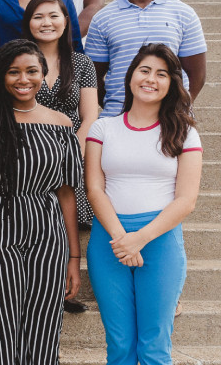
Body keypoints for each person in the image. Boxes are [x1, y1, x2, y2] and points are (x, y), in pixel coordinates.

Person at [0, 39, 82, 365]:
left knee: (43, 327)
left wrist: (73, 256)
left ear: (44, 73)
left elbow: (66, 192)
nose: (23, 79)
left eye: (31, 71)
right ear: (0, 76)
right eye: (14, 72)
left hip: (47, 232)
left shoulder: (61, 125)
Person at [85, 44, 202, 365]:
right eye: (144, 70)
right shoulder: (103, 127)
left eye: (161, 74)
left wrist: (140, 238)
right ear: (130, 76)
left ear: (171, 84)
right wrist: (122, 237)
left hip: (160, 241)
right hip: (109, 240)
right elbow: (95, 189)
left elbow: (187, 200)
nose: (151, 79)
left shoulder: (184, 132)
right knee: (120, 345)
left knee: (154, 346)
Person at [86, 0, 207, 118]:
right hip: (118, 116)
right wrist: (116, 104)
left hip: (171, 118)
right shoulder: (102, 19)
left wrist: (180, 106)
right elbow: (93, 77)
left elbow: (197, 73)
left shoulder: (183, 13)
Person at [23, 0, 99, 231]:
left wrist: (72, 153)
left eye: (53, 16)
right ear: (28, 23)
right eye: (38, 17)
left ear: (66, 20)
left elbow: (90, 116)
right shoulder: (17, 61)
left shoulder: (82, 63)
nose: (46, 23)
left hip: (73, 152)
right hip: (28, 152)